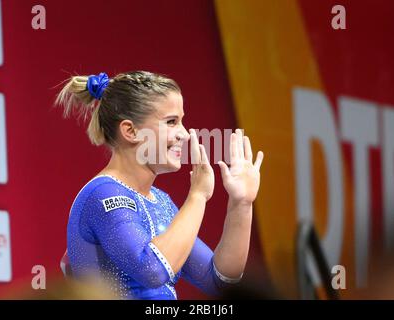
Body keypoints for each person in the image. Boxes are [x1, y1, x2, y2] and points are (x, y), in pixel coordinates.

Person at [55, 71, 264, 300]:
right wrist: (197, 196)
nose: (184, 134)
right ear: (131, 131)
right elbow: (152, 270)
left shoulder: (161, 202)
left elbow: (220, 283)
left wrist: (241, 204)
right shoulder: (104, 194)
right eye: (172, 122)